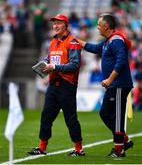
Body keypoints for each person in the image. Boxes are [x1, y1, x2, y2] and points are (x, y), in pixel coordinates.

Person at [27, 14, 85, 156]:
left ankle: (79, 149)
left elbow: (75, 65)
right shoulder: (53, 41)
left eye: (58, 23)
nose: (55, 26)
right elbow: (50, 58)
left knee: (70, 118)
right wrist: (44, 65)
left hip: (67, 85)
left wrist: (54, 67)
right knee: (46, 116)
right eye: (54, 23)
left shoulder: (73, 42)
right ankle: (42, 148)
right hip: (53, 85)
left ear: (66, 25)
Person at [77, 13, 134, 158]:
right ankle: (124, 140)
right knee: (105, 113)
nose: (97, 27)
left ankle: (119, 149)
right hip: (114, 85)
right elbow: (94, 48)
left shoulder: (116, 41)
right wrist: (75, 40)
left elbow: (121, 61)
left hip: (119, 84)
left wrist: (109, 79)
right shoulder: (108, 41)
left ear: (106, 26)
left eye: (98, 24)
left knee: (118, 116)